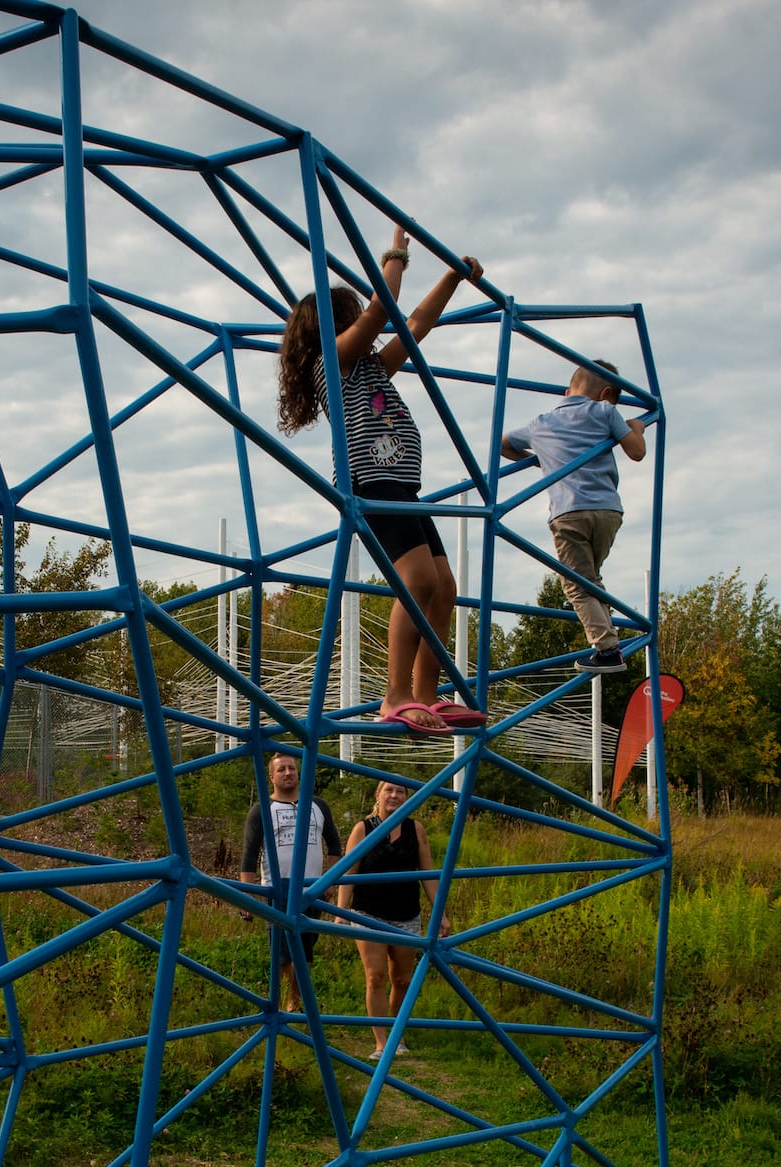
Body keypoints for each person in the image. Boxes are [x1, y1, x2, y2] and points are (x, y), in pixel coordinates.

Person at [277, 225, 485, 735]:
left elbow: (415, 324)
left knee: (444, 588)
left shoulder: (369, 367)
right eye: (352, 316)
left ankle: (426, 694)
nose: (363, 323)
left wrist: (452, 278)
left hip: (402, 486)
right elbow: (382, 311)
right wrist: (396, 253)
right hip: (371, 485)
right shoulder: (331, 364)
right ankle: (394, 695)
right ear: (331, 326)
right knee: (417, 581)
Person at [500, 359, 648, 671]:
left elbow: (502, 444)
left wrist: (542, 460)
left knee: (577, 586)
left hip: (568, 514)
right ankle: (609, 638)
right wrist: (636, 426)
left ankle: (607, 650)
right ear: (606, 394)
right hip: (608, 511)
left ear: (567, 392)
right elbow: (636, 451)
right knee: (590, 579)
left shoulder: (542, 423)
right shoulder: (605, 411)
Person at [337, 781, 446, 1061]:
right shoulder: (363, 829)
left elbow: (428, 875)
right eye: (389, 790)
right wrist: (340, 913)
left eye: (400, 792)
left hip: (406, 914)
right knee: (375, 976)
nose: (394, 796)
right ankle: (381, 1042)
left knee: (403, 979)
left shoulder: (415, 829)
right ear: (378, 795)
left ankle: (398, 1035)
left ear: (407, 798)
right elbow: (348, 872)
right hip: (368, 913)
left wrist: (441, 913)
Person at [237, 751, 341, 1013]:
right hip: (278, 888)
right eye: (281, 769)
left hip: (312, 888)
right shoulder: (262, 809)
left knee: (305, 949)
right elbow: (249, 855)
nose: (288, 773)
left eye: (292, 768)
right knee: (282, 952)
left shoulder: (318, 805)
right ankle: (291, 1000)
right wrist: (247, 896)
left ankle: (297, 997)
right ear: (271, 777)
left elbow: (334, 844)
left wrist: (330, 881)